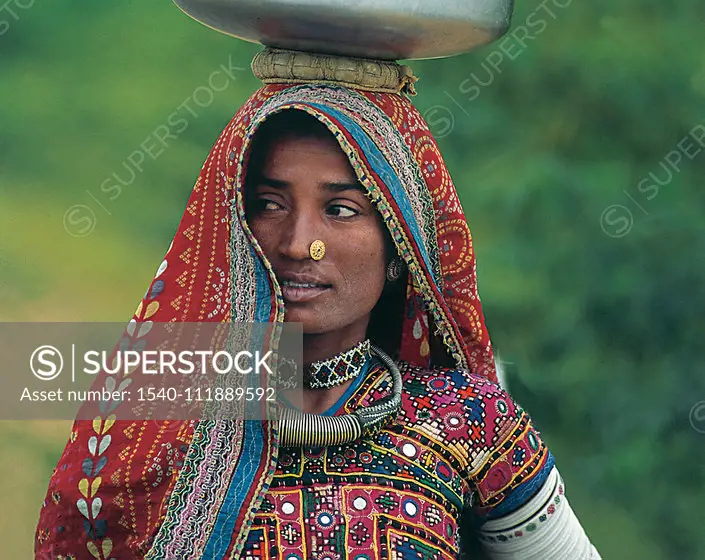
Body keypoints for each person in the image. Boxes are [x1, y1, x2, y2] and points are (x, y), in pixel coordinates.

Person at [36, 55, 601, 559]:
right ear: (233, 223)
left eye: (342, 210)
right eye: (268, 203)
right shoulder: (156, 424)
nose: (299, 241)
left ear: (400, 243)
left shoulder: (468, 422)